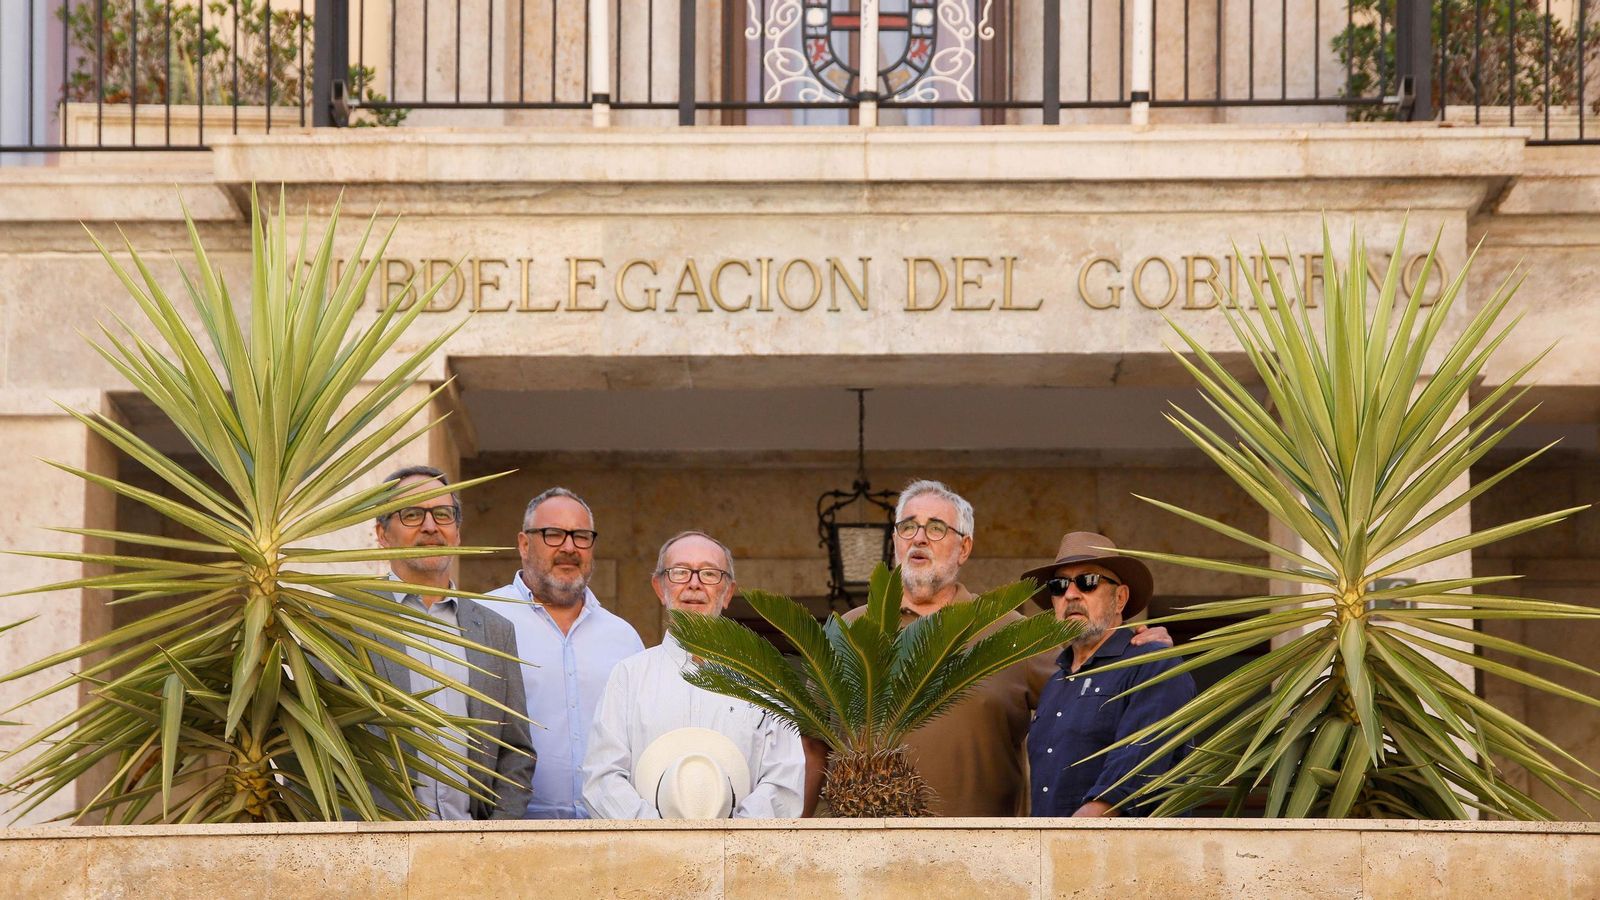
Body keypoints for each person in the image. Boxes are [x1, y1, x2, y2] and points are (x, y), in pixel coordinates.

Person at [832, 479, 1169, 816]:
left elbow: (1093, 690)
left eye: (936, 528)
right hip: (860, 851)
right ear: (895, 541)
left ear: (964, 548)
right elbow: (809, 742)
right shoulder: (850, 630)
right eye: (908, 527)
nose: (919, 537)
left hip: (986, 856)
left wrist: (1140, 658)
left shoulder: (1014, 636)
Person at [582, 531, 804, 819]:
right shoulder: (628, 676)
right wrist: (658, 834)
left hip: (742, 857)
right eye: (680, 572)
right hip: (646, 856)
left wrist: (731, 838)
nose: (694, 584)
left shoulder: (765, 679)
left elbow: (784, 782)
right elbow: (602, 777)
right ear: (660, 588)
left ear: (728, 592)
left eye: (710, 574)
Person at [369, 465, 534, 820]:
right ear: (383, 534)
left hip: (472, 853)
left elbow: (516, 751)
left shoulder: (494, 631)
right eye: (412, 514)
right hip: (378, 856)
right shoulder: (347, 621)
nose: (431, 526)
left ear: (457, 532)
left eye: (443, 514)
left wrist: (494, 838)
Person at [486, 486, 645, 819]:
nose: (569, 547)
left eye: (581, 536)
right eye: (553, 535)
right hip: (510, 834)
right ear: (524, 544)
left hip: (610, 836)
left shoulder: (624, 638)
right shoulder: (484, 618)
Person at [1024, 532, 1197, 816]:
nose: (1071, 594)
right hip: (1054, 853)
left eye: (1087, 582)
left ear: (1120, 598)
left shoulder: (1154, 665)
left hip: (1130, 856)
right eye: (1058, 585)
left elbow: (1136, 767)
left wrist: (1073, 834)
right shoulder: (1055, 682)